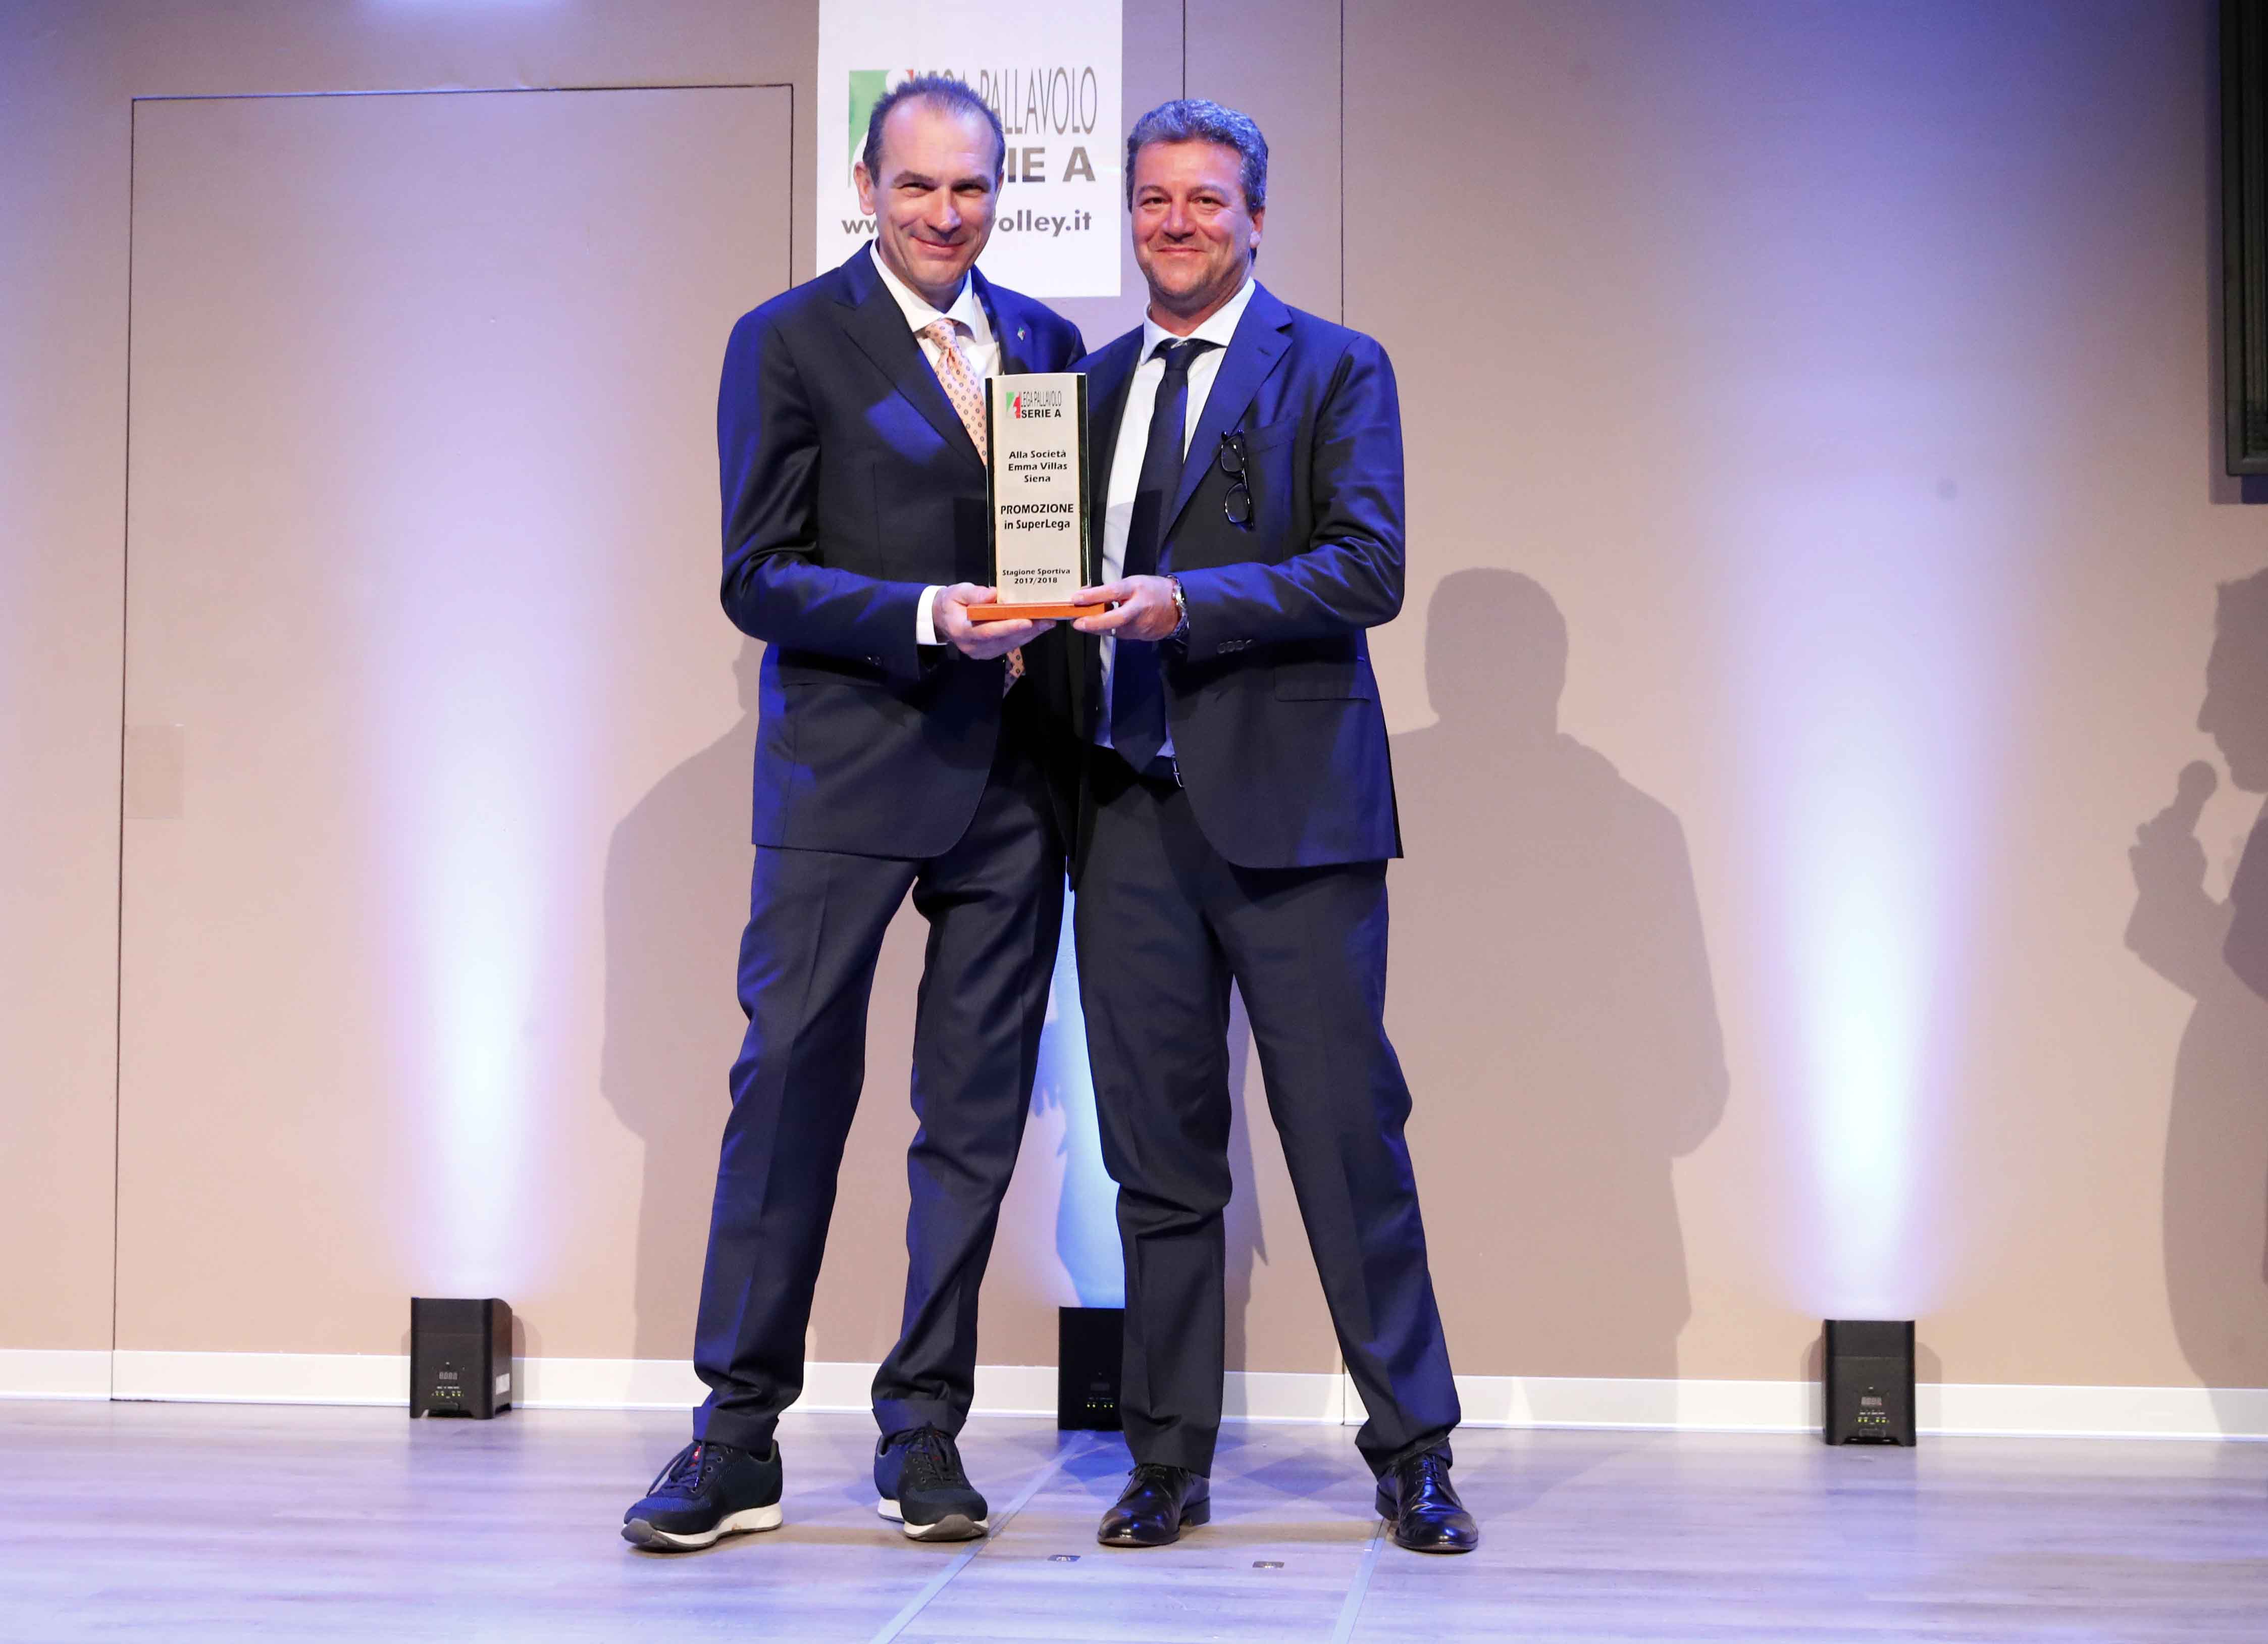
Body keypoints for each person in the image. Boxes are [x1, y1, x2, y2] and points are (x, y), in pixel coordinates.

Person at [620, 75, 1084, 1551]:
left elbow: (1056, 549)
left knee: (973, 1117)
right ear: (866, 189)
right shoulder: (788, 338)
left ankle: (923, 1430)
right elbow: (756, 573)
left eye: (971, 187)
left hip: (1014, 784)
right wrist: (930, 614)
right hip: (844, 772)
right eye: (918, 186)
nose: (946, 213)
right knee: (790, 1099)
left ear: (1000, 192)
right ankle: (735, 1438)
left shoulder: (1047, 344)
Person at [1045, 99, 1476, 1554]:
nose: (1177, 224)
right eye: (1154, 200)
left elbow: (1366, 566)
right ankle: (1165, 1461)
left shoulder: (1337, 366)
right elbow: (1052, 582)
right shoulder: (1083, 390)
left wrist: (1191, 604)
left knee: (1346, 1141)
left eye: (1206, 200)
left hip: (1295, 819)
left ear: (1256, 217)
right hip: (1124, 811)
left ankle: (1413, 1452)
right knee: (1155, 1160)